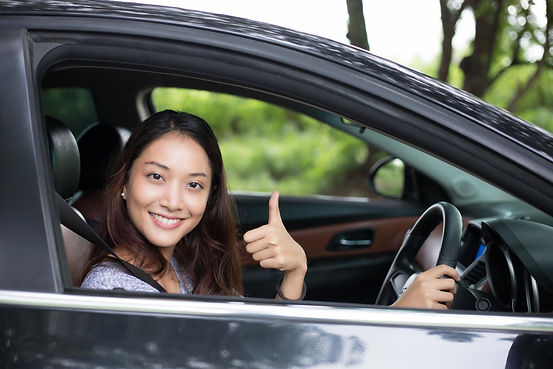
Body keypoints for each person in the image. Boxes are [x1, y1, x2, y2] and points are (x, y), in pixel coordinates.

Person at [81, 110, 459, 306]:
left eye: (194, 184)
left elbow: (254, 344)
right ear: (125, 184)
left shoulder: (180, 261)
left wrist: (295, 273)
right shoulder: (116, 292)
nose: (174, 201)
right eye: (156, 177)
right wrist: (400, 318)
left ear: (210, 195)